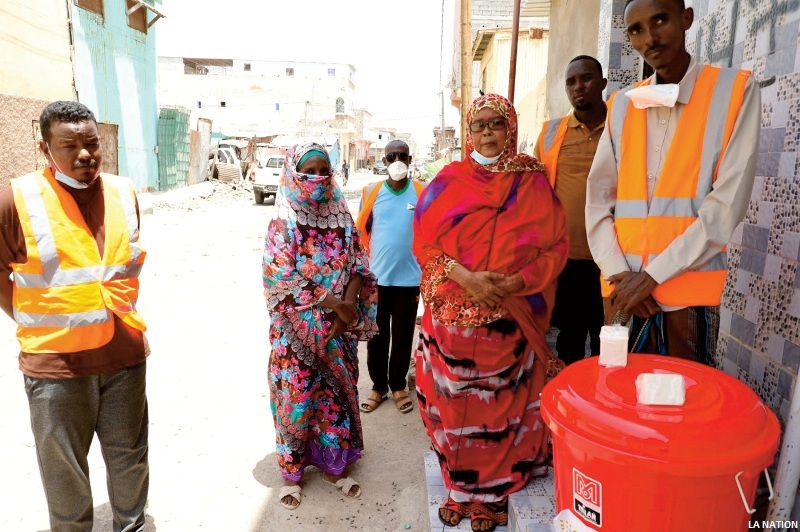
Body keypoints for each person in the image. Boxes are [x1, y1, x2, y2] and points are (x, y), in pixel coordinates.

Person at [413, 94, 568, 531]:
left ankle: (494, 494)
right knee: (454, 402)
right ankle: (461, 488)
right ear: (468, 132)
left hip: (510, 315)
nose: (486, 133)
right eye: (478, 125)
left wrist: (515, 284)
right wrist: (466, 278)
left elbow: (556, 246)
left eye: (495, 124)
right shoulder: (448, 179)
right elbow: (424, 244)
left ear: (511, 129)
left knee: (497, 409)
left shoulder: (532, 181)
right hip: (452, 314)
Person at [0, 101, 150, 531]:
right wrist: (33, 319)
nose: (85, 154)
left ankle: (132, 525)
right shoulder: (16, 200)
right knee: (64, 471)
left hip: (124, 355)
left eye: (92, 143)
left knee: (130, 457)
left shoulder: (124, 192)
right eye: (70, 145)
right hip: (56, 367)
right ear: (46, 149)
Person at [586, 0, 760, 363]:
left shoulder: (733, 91)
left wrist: (650, 276)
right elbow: (598, 202)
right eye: (635, 30)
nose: (649, 38)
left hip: (687, 294)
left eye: (660, 20)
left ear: (686, 18)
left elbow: (725, 209)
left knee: (684, 405)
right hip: (622, 293)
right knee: (620, 402)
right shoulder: (621, 105)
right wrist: (621, 274)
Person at [262, 142, 378, 510]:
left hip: (338, 329)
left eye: (321, 171)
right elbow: (280, 274)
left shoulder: (342, 212)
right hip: (298, 331)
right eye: (307, 171)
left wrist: (347, 312)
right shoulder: (284, 219)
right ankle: (292, 472)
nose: (315, 178)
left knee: (335, 398)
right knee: (298, 399)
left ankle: (335, 465)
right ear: (293, 172)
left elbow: (359, 264)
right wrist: (335, 304)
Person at [535, 55, 607, 365]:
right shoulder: (551, 132)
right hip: (568, 261)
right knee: (570, 343)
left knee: (611, 344)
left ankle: (604, 409)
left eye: (586, 78)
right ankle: (571, 409)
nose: (579, 86)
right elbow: (535, 191)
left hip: (613, 262)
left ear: (602, 83)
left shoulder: (623, 127)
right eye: (571, 81)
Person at [355, 140, 424, 415]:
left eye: (402, 156)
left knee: (404, 335)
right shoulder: (371, 191)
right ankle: (378, 386)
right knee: (377, 337)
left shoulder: (421, 191)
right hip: (377, 280)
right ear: (384, 161)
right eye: (391, 156)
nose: (397, 160)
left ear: (410, 159)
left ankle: (398, 385)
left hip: (410, 280)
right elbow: (360, 232)